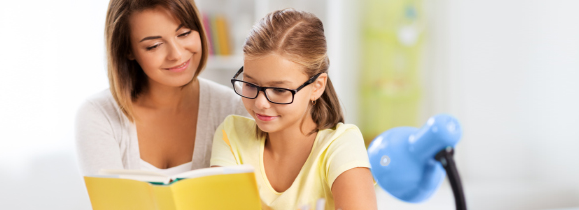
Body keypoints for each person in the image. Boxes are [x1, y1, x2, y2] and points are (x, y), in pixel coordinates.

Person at [210, 9, 377, 210]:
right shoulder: (232, 134)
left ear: (317, 86)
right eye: (251, 85)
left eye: (279, 90)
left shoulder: (340, 145)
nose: (261, 103)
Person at [76, 0, 247, 177]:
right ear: (128, 50)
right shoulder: (99, 115)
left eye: (184, 33)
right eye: (154, 45)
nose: (177, 54)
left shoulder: (235, 109)